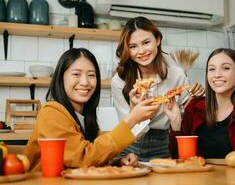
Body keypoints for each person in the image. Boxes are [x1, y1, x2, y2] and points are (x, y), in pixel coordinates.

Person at [24, 48, 160, 171]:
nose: (85, 82)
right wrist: (132, 119)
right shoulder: (51, 112)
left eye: (91, 75)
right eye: (76, 74)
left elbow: (94, 153)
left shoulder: (83, 117)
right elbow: (83, 158)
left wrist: (116, 161)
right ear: (61, 79)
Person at [111, 16, 204, 161]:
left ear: (158, 40)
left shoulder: (177, 75)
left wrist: (194, 99)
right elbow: (127, 126)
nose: (141, 51)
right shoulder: (119, 81)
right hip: (131, 144)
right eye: (133, 46)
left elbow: (186, 121)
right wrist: (136, 110)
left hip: (165, 144)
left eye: (146, 42)